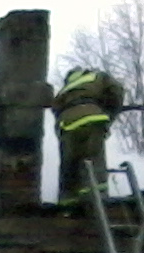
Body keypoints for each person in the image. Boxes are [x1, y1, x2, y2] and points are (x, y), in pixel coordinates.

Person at [54, 66, 126, 209]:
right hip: (92, 119)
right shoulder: (97, 76)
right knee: (94, 162)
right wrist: (110, 113)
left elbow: (55, 109)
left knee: (69, 166)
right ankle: (97, 203)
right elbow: (117, 90)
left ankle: (67, 206)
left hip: (66, 125)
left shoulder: (65, 89)